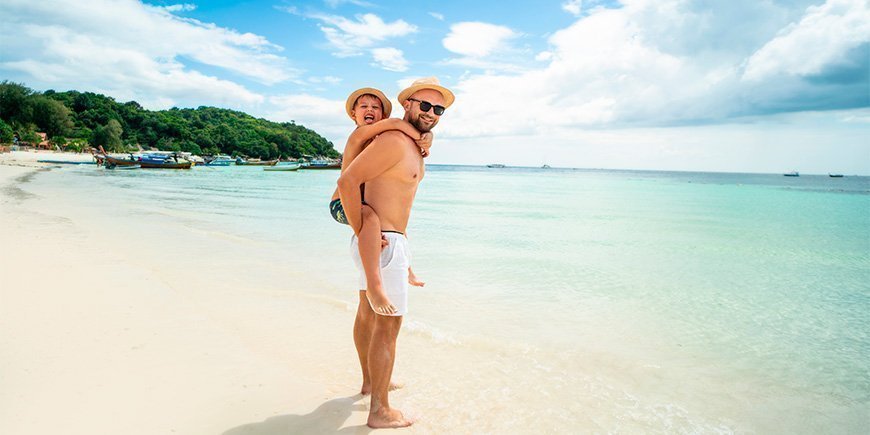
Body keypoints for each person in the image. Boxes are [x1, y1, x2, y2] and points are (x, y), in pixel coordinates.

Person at [338, 77, 454, 428]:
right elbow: (346, 182)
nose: (431, 113)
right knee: (388, 327)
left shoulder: (413, 143)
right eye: (424, 105)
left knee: (367, 315)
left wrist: (403, 258)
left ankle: (372, 383)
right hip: (381, 241)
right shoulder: (393, 140)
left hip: (385, 242)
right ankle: (380, 410)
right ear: (408, 105)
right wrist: (363, 229)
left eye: (438, 109)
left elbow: (397, 200)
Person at [329, 87, 430, 395]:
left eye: (376, 107)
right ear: (353, 113)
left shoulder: (378, 141)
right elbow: (399, 126)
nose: (369, 110)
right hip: (343, 205)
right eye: (363, 106)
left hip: (364, 209)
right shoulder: (358, 136)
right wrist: (412, 130)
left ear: (382, 114)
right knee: (372, 220)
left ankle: (371, 382)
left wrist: (424, 139)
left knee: (364, 312)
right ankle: (376, 285)